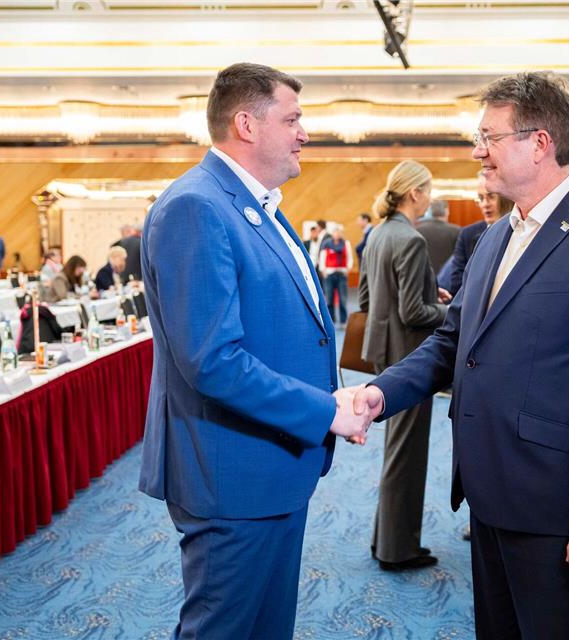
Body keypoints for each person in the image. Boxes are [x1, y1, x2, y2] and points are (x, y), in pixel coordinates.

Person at [353, 71, 569, 639]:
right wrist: (380, 393)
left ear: (539, 142)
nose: (477, 152)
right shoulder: (494, 235)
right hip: (487, 490)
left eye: (488, 137)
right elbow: (452, 341)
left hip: (555, 506)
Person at [137, 62, 367, 640]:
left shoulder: (253, 204)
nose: (304, 133)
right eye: (291, 119)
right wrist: (325, 411)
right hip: (231, 475)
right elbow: (212, 361)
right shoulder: (197, 206)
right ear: (246, 124)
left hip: (271, 466)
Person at [359, 160, 449, 572]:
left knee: (396, 452)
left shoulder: (378, 234)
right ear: (415, 194)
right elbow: (414, 312)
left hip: (383, 354)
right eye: (428, 190)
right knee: (406, 456)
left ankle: (387, 540)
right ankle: (398, 549)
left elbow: (367, 301)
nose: (430, 198)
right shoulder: (410, 239)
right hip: (410, 357)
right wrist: (453, 312)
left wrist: (432, 293)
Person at [448, 172, 513, 294]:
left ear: (504, 198)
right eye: (481, 198)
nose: (485, 204)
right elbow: (457, 284)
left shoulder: (519, 231)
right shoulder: (467, 235)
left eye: (491, 197)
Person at [318, 223, 353, 326]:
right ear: (332, 233)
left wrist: (348, 269)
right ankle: (331, 320)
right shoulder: (326, 244)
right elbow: (322, 258)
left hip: (342, 274)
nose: (337, 234)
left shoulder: (346, 243)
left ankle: (343, 321)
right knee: (329, 298)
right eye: (335, 232)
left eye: (339, 232)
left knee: (343, 299)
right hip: (329, 274)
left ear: (341, 233)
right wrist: (323, 270)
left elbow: (349, 257)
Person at [416, 199, 461, 275]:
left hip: (423, 278)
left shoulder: (416, 230)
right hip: (447, 281)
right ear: (447, 211)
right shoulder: (457, 231)